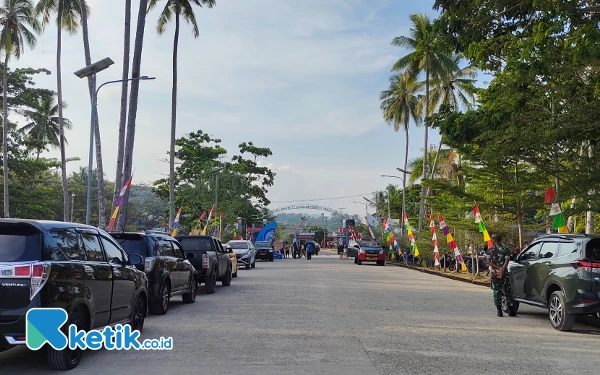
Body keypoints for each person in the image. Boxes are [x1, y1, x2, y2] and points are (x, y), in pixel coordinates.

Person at [486, 234, 514, 317]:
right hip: (504, 272)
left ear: (494, 240)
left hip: (495, 272)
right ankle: (510, 310)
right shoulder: (506, 249)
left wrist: (498, 268)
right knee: (507, 290)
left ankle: (499, 311)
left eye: (492, 239)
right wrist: (502, 269)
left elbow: (488, 261)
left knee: (496, 291)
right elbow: (507, 260)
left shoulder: (490, 250)